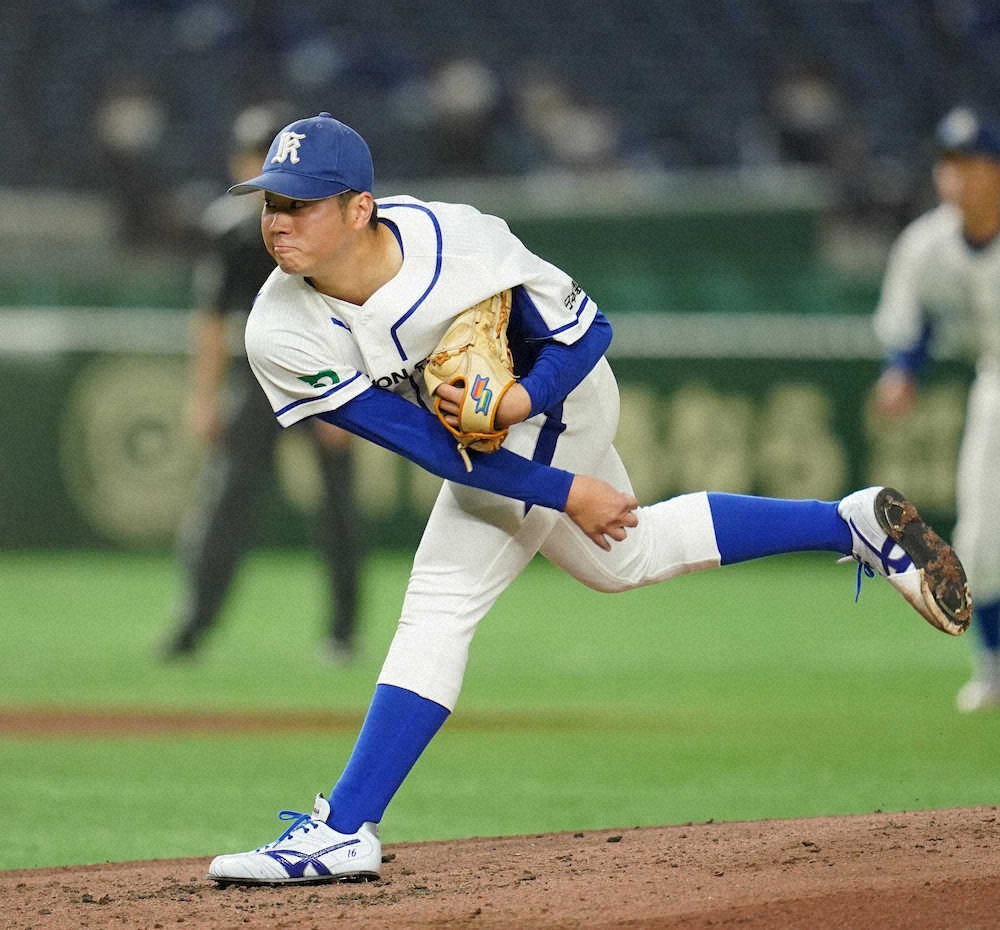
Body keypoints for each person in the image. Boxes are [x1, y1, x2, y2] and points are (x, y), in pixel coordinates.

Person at [206, 112, 971, 885]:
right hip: (479, 448)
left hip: (560, 397)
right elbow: (432, 449)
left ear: (358, 208)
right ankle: (849, 522)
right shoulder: (279, 329)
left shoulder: (456, 242)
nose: (278, 221)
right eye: (271, 202)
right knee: (625, 559)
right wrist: (565, 491)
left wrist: (526, 423)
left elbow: (586, 333)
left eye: (299, 203)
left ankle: (346, 826)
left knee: (441, 595)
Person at [162, 104, 363, 663]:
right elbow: (211, 321)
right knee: (227, 500)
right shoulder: (231, 230)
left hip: (328, 376)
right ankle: (194, 624)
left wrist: (349, 397)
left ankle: (343, 631)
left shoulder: (326, 225)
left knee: (337, 506)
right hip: (258, 380)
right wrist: (203, 396)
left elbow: (350, 310)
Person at [871, 105, 1000, 713]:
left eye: (973, 163)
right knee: (982, 538)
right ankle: (994, 668)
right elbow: (912, 327)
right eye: (950, 165)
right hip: (995, 385)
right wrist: (904, 372)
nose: (961, 177)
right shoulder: (926, 245)